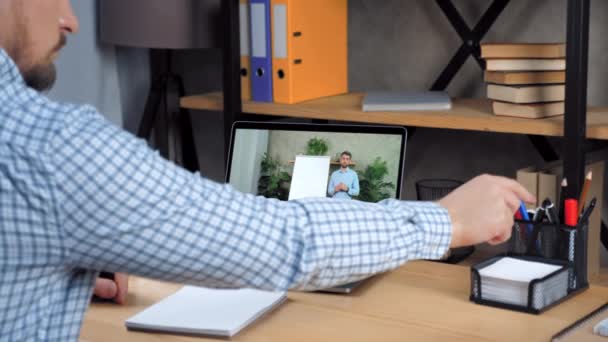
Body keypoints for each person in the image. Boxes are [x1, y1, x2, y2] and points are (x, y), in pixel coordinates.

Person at [0, 1, 535, 340]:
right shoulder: (47, 149)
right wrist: (446, 221)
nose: (70, 18)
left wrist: (53, 267)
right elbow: (284, 241)